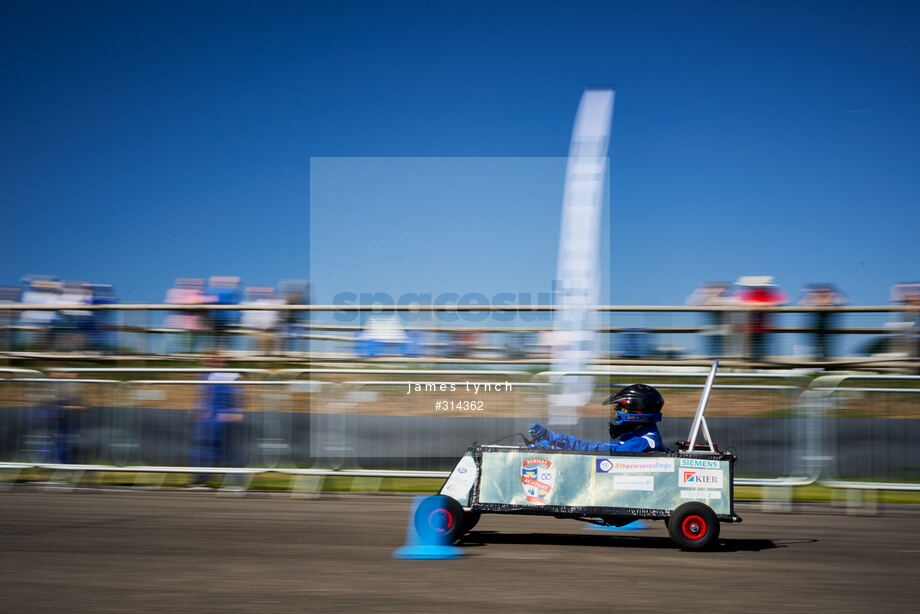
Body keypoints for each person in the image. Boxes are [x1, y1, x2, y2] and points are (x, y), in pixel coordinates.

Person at [528, 384, 668, 452]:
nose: (617, 413)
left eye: (622, 409)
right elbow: (594, 447)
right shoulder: (637, 439)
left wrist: (556, 450)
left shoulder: (642, 443)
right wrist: (553, 438)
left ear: (638, 415)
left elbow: (598, 456)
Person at [188, 353, 245, 488]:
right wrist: (195, 410)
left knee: (228, 452)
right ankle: (201, 480)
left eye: (219, 361)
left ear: (225, 362)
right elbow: (202, 396)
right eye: (212, 361)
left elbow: (239, 399)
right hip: (208, 419)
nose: (216, 363)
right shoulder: (204, 375)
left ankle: (236, 481)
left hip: (224, 418)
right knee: (202, 450)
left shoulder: (233, 376)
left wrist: (237, 413)